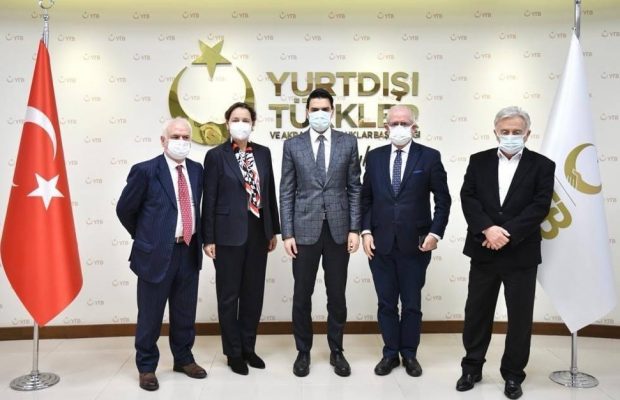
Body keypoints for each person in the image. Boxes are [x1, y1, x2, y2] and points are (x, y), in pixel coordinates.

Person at [456, 106, 555, 399]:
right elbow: (468, 197)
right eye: (505, 131)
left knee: (520, 318)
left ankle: (513, 374)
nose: (510, 136)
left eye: (517, 132)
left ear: (528, 134)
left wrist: (506, 233)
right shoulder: (478, 161)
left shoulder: (542, 165)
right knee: (477, 313)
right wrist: (488, 229)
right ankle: (471, 368)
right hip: (484, 250)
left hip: (521, 253)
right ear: (496, 132)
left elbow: (540, 206)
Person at [116, 117, 207, 391]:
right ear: (163, 140)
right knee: (150, 314)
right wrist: (147, 236)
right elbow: (125, 209)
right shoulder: (145, 171)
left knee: (184, 311)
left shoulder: (197, 170)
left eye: (185, 137)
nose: (181, 141)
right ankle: (146, 366)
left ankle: (183, 358)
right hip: (155, 254)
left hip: (188, 250)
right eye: (175, 136)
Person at [361, 105, 451, 377]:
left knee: (412, 304)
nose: (399, 127)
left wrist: (435, 233)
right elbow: (366, 198)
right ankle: (390, 353)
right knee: (386, 303)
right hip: (380, 243)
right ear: (385, 127)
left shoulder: (430, 156)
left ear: (414, 126)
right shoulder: (374, 157)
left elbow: (443, 199)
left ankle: (409, 354)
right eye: (394, 123)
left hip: (416, 244)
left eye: (405, 123)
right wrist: (365, 232)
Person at [279, 88, 361, 377]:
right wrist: (287, 233)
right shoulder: (293, 145)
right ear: (306, 112)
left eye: (324, 109)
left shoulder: (348, 142)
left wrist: (355, 228)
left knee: (336, 294)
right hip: (304, 230)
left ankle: (337, 350)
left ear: (333, 111)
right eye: (314, 109)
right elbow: (286, 191)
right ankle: (303, 351)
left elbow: (355, 187)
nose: (319, 114)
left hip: (339, 230)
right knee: (302, 294)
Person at [202, 102, 280, 375]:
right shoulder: (216, 156)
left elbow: (269, 193)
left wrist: (272, 230)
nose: (240, 124)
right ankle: (233, 352)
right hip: (226, 235)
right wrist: (208, 238)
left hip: (258, 232)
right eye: (235, 119)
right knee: (229, 296)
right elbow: (209, 198)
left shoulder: (263, 153)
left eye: (246, 119)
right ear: (227, 123)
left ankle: (248, 347)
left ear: (253, 124)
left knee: (253, 295)